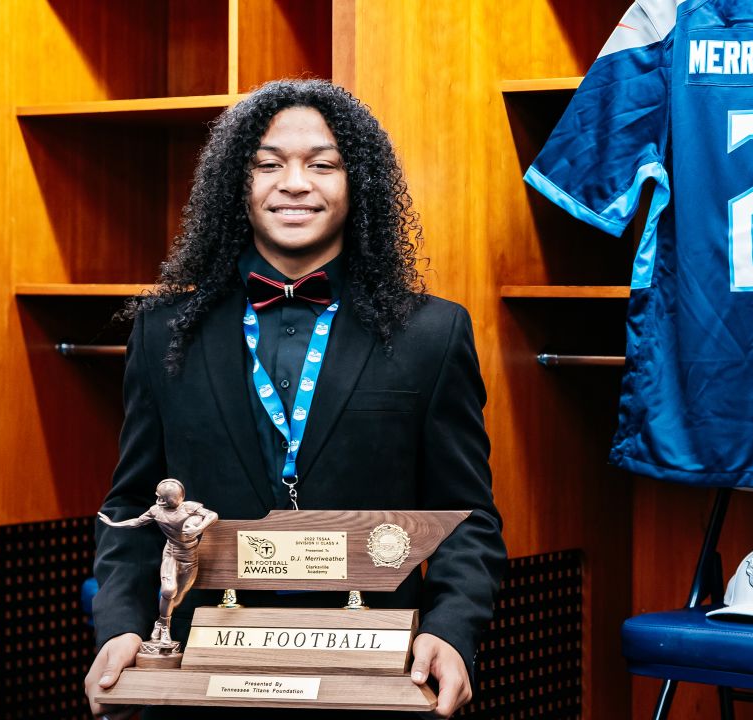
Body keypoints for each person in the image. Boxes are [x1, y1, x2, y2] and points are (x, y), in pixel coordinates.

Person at [84, 79, 506, 719]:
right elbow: (134, 502)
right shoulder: (164, 330)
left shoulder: (433, 334)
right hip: (202, 676)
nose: (295, 182)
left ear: (356, 182)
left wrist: (451, 632)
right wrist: (119, 624)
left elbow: (464, 515)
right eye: (268, 163)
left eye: (323, 164)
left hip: (375, 673)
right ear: (237, 182)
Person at [96, 479, 218, 646]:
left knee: (179, 597)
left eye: (164, 498)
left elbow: (212, 515)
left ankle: (161, 621)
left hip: (189, 556)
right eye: (158, 497)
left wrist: (198, 528)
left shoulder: (190, 508)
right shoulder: (156, 511)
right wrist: (113, 524)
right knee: (169, 591)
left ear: (178, 498)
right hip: (170, 553)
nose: (159, 501)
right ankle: (165, 626)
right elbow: (136, 522)